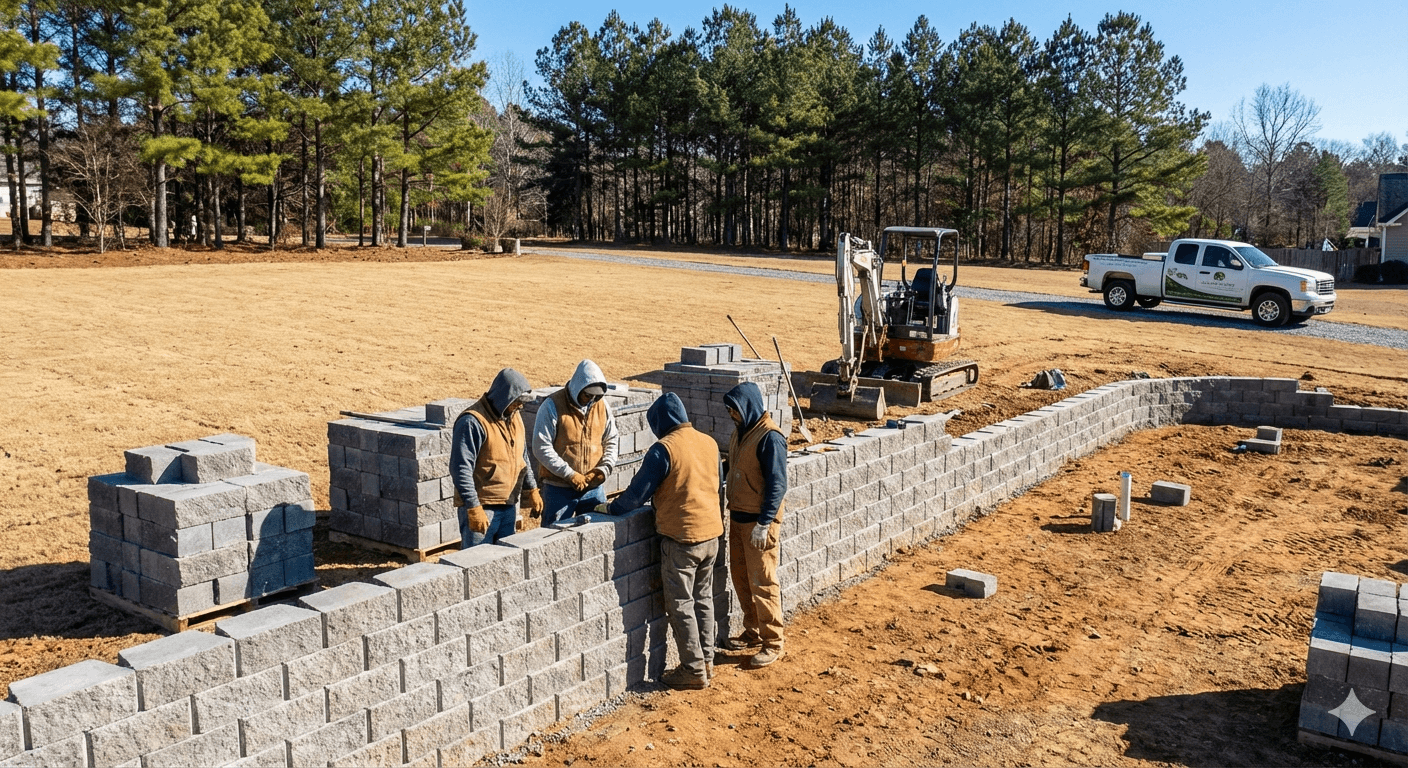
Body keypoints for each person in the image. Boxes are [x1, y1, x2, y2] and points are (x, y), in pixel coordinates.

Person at [598, 392, 722, 689]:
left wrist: (609, 509)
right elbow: (718, 481)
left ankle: (692, 670)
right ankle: (707, 661)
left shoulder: (663, 450)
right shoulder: (709, 442)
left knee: (680, 603)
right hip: (712, 535)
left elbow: (636, 495)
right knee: (703, 599)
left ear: (660, 423)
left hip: (683, 538)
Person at [721, 381, 788, 668]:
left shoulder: (770, 438)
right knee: (742, 578)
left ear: (748, 406)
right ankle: (753, 631)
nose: (731, 415)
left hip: (758, 524)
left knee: (763, 582)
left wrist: (764, 523)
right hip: (738, 518)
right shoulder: (742, 432)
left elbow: (777, 483)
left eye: (734, 410)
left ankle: (773, 641)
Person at [450, 368, 543, 547]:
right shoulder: (472, 422)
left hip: (508, 505)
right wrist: (473, 506)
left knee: (504, 560)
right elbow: (460, 468)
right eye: (516, 402)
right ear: (503, 397)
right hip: (483, 507)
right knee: (476, 563)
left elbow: (522, 456)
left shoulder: (514, 417)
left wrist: (532, 489)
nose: (519, 407)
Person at [532, 360, 619, 526]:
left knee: (596, 534)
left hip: (592, 488)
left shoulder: (602, 407)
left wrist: (603, 469)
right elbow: (541, 447)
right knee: (553, 537)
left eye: (596, 396)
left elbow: (611, 440)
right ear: (578, 388)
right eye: (587, 395)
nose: (591, 400)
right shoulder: (552, 406)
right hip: (558, 488)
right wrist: (570, 474)